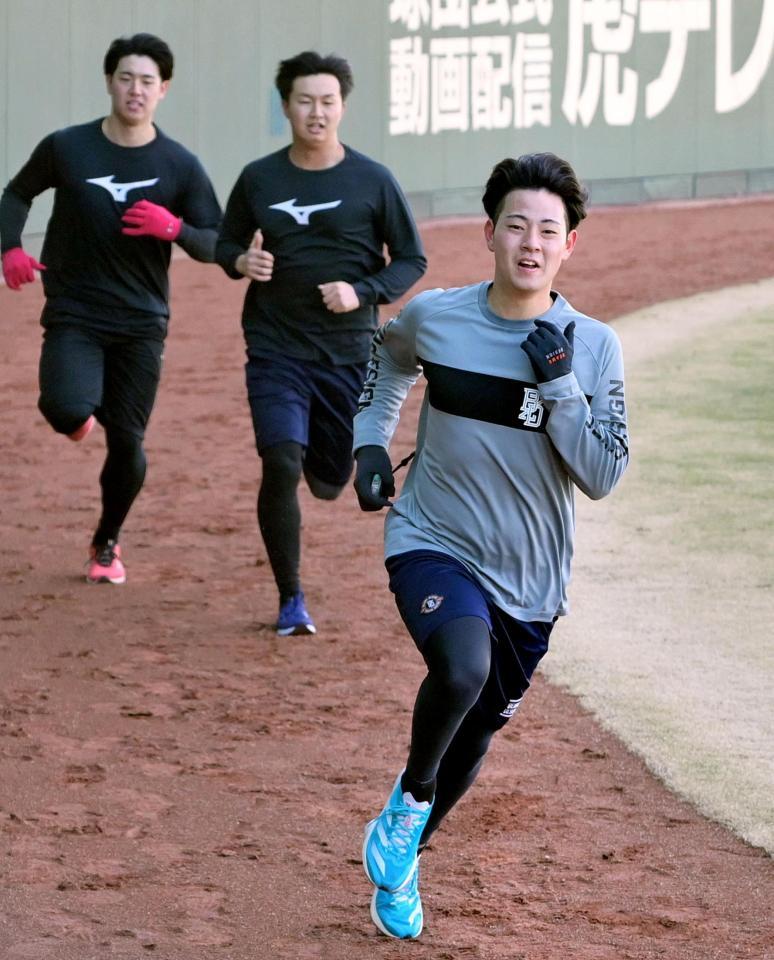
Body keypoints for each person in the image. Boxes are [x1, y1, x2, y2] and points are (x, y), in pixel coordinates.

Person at [352, 153, 629, 939]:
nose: (530, 243)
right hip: (432, 537)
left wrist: (560, 385)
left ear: (570, 243)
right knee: (461, 668)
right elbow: (388, 365)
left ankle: (405, 858)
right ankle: (408, 801)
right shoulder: (436, 316)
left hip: (532, 580)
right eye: (516, 225)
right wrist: (371, 444)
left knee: (474, 736)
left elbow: (604, 473)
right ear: (489, 233)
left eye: (548, 230)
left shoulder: (594, 345)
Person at [215, 51, 426, 637]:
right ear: (285, 106)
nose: (316, 111)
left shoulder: (372, 180)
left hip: (349, 354)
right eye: (304, 100)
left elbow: (411, 258)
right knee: (280, 462)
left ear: (342, 107)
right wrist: (241, 258)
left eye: (327, 101)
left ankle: (321, 458)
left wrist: (362, 292)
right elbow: (225, 242)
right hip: (276, 348)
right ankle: (290, 599)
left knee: (331, 483)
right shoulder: (260, 178)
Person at [0, 33, 222, 585]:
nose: (136, 90)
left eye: (148, 81)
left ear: (164, 89)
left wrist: (174, 228)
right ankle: (80, 415)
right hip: (75, 309)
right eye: (126, 78)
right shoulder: (67, 146)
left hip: (143, 323)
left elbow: (219, 241)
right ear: (109, 82)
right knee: (64, 406)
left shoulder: (179, 164)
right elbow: (16, 194)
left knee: (128, 443)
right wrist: (9, 247)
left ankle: (107, 542)